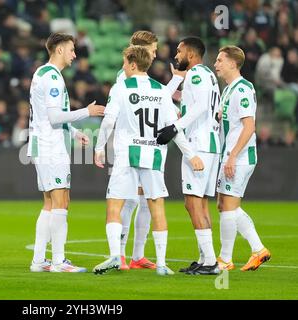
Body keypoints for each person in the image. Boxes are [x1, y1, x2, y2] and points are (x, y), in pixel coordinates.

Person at [93, 45, 204, 275]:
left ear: (133, 64)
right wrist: (190, 154)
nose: (123, 67)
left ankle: (116, 256)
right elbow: (173, 128)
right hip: (153, 154)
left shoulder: (121, 86)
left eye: (125, 63)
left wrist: (99, 147)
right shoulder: (161, 90)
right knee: (157, 207)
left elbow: (108, 121)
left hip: (127, 154)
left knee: (115, 204)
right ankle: (162, 264)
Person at [28, 33, 105, 273]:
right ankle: (59, 261)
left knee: (51, 202)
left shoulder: (44, 73)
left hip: (46, 142)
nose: (74, 54)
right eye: (71, 50)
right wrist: (87, 112)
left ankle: (39, 261)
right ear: (59, 50)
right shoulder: (52, 77)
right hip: (50, 145)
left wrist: (72, 132)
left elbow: (49, 115)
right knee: (60, 200)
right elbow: (53, 117)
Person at [115, 30, 185, 271]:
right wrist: (175, 83)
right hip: (130, 146)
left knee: (145, 201)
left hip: (148, 147)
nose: (156, 54)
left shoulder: (142, 75)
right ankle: (121, 255)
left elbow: (155, 98)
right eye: (153, 49)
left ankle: (138, 255)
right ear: (141, 49)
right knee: (131, 200)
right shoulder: (124, 76)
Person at [156, 37, 221, 275]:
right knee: (200, 204)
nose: (176, 55)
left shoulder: (195, 74)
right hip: (210, 144)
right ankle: (205, 258)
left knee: (193, 204)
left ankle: (211, 262)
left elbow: (201, 106)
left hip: (199, 145)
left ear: (191, 55)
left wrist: (175, 127)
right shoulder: (208, 75)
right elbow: (200, 104)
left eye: (179, 51)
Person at [213, 45, 271, 271]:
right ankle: (258, 249)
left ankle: (225, 260)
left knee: (228, 206)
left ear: (232, 63)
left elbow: (249, 126)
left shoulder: (243, 89)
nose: (216, 64)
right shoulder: (228, 89)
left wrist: (233, 156)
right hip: (228, 155)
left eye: (220, 60)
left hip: (239, 156)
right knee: (223, 204)